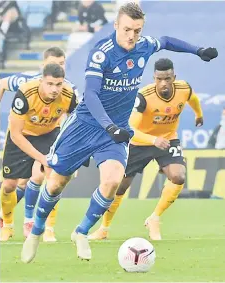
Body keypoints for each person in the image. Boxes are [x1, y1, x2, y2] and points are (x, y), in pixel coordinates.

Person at [21, 2, 217, 263]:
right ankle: (36, 230)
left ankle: (81, 232)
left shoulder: (144, 46)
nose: (132, 36)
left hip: (114, 132)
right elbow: (90, 94)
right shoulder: (102, 53)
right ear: (115, 26)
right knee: (56, 182)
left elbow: (167, 40)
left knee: (112, 181)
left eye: (137, 30)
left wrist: (198, 50)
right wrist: (108, 125)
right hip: (86, 126)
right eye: (127, 30)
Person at [89, 58, 203, 241]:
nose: (163, 83)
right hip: (140, 142)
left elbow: (194, 99)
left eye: (167, 78)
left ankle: (154, 218)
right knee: (120, 186)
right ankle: (104, 228)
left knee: (178, 176)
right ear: (154, 78)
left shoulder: (184, 89)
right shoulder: (143, 96)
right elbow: (130, 130)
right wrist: (152, 139)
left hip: (167, 140)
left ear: (174, 77)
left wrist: (199, 115)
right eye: (159, 79)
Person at [0, 47, 79, 242]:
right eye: (50, 84)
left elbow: (76, 123)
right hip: (22, 135)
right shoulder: (25, 88)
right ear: (42, 73)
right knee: (9, 185)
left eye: (58, 84)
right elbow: (17, 136)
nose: (54, 89)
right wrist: (41, 158)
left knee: (54, 178)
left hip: (48, 133)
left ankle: (47, 228)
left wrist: (72, 152)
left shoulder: (69, 92)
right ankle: (7, 225)